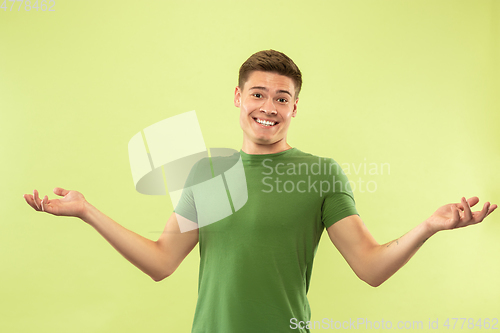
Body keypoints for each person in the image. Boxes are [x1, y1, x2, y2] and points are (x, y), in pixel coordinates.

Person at [24, 50, 497, 333]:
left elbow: (370, 267)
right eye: (258, 94)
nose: (268, 107)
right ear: (238, 97)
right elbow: (162, 261)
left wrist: (430, 227)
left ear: (295, 107)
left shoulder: (320, 174)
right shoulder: (211, 171)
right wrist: (87, 211)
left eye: (282, 98)